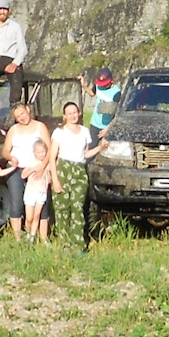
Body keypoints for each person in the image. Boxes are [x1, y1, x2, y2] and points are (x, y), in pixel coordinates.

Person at [51, 101, 103, 252]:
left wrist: (100, 147)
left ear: (79, 113)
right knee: (62, 208)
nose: (73, 116)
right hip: (63, 169)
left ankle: (78, 244)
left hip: (79, 171)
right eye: (69, 113)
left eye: (75, 112)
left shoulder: (85, 131)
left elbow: (85, 154)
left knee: (77, 207)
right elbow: (52, 157)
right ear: (64, 116)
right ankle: (65, 244)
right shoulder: (59, 132)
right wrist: (55, 179)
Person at [2, 101, 51, 243]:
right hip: (17, 169)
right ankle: (18, 237)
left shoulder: (40, 127)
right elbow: (5, 150)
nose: (21, 118)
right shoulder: (13, 130)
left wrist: (42, 166)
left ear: (28, 110)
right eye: (17, 116)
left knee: (42, 203)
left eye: (22, 113)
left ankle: (43, 237)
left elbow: (49, 148)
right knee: (17, 203)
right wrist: (11, 157)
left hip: (37, 168)